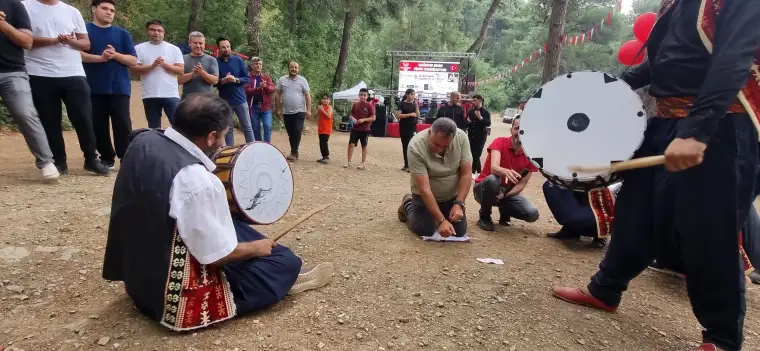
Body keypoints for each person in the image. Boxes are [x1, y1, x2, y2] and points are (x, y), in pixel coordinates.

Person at [552, 0, 760, 350]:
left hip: (721, 124)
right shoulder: (678, 4)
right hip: (667, 121)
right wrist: (610, 87)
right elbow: (666, 61)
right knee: (636, 211)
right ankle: (605, 289)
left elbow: (734, 57)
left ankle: (722, 337)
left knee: (708, 230)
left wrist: (698, 131)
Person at [102, 93, 334, 331]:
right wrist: (256, 248)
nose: (224, 144)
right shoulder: (197, 179)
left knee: (236, 227)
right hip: (166, 295)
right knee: (284, 261)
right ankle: (282, 282)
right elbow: (215, 256)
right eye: (223, 137)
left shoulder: (144, 139)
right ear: (211, 137)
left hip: (138, 275)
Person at [22, 0, 109, 175]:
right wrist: (54, 40)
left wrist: (69, 42)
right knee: (50, 120)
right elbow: (24, 39)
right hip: (39, 72)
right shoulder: (24, 6)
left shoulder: (72, 11)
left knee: (83, 117)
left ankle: (91, 159)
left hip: (73, 72)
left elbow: (86, 44)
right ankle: (59, 162)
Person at [0, 0, 58, 179]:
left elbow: (27, 41)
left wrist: (3, 24)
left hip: (12, 71)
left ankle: (46, 162)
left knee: (26, 114)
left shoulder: (13, 5)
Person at [81, 0, 137, 170]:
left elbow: (133, 60)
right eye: (104, 8)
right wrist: (99, 58)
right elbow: (76, 54)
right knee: (98, 123)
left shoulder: (122, 34)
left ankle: (126, 157)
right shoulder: (84, 31)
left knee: (122, 123)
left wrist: (115, 55)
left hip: (119, 86)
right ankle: (106, 157)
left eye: (112, 10)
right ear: (93, 9)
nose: (109, 12)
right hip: (92, 86)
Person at [397, 118, 472, 237]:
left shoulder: (461, 138)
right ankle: (408, 204)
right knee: (425, 230)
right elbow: (424, 189)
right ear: (430, 132)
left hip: (451, 196)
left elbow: (466, 174)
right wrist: (441, 221)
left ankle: (443, 210)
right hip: (424, 196)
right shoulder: (416, 146)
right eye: (436, 144)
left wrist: (459, 204)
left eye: (446, 146)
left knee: (459, 232)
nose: (440, 149)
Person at [473, 116, 539, 231]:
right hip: (484, 189)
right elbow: (494, 168)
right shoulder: (499, 142)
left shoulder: (531, 154)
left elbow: (521, 184)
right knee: (493, 179)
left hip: (506, 191)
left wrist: (505, 194)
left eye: (524, 129)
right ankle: (484, 216)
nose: (519, 132)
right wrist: (506, 172)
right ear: (511, 130)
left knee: (532, 214)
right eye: (517, 128)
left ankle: (504, 210)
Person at [132, 20, 184, 128]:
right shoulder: (138, 48)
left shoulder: (174, 49)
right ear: (147, 32)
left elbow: (180, 70)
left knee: (178, 125)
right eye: (153, 30)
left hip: (170, 94)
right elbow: (134, 70)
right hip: (150, 94)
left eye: (159, 30)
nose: (156, 33)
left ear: (164, 33)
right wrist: (152, 66)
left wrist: (164, 65)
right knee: (154, 127)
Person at [542, 181, 617, 248]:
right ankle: (570, 229)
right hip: (575, 174)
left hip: (597, 178)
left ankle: (599, 235)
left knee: (594, 191)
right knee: (551, 185)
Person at [215, 37, 253, 145]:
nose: (226, 49)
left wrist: (236, 79)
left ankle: (253, 149)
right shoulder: (216, 62)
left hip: (240, 99)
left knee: (247, 126)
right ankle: (230, 151)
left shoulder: (238, 60)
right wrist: (224, 80)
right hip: (225, 101)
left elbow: (247, 78)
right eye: (223, 47)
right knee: (228, 129)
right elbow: (214, 82)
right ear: (219, 48)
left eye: (228, 47)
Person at [275, 61, 311, 161]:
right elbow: (277, 94)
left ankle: (294, 153)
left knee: (297, 131)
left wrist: (309, 110)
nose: (294, 69)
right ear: (288, 68)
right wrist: (277, 109)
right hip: (286, 112)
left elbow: (308, 96)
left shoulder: (303, 80)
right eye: (292, 67)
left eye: (296, 67)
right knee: (291, 133)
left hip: (300, 111)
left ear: (298, 69)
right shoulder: (282, 80)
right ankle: (294, 151)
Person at [178, 32, 218, 100]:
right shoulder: (182, 59)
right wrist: (193, 74)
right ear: (189, 43)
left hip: (207, 101)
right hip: (187, 101)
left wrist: (201, 72)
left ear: (204, 45)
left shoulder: (212, 60)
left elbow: (215, 81)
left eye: (200, 43)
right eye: (195, 43)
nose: (198, 46)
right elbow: (178, 80)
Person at [245, 57, 275, 143]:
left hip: (265, 107)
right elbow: (247, 91)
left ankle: (267, 145)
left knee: (267, 126)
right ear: (252, 65)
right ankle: (259, 146)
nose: (258, 65)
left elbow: (272, 89)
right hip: (253, 107)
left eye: (260, 64)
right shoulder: (248, 77)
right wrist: (259, 88)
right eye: (256, 64)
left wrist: (265, 86)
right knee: (255, 128)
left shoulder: (266, 77)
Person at [344, 88, 375, 170]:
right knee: (351, 144)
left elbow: (373, 117)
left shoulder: (369, 105)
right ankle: (349, 162)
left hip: (365, 129)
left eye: (364, 95)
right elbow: (351, 114)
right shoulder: (355, 105)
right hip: (355, 129)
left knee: (364, 146)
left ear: (367, 96)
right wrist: (353, 119)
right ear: (359, 95)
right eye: (361, 95)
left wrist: (364, 120)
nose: (363, 97)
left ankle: (363, 163)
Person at [467, 94, 491, 174]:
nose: (473, 102)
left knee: (477, 154)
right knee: (473, 154)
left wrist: (480, 118)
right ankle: (479, 170)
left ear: (480, 101)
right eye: (472, 100)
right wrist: (468, 122)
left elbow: (488, 123)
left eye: (475, 100)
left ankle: (472, 172)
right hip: (471, 135)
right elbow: (467, 122)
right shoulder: (470, 110)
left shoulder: (485, 112)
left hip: (481, 136)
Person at [397, 88, 419, 172]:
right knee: (405, 145)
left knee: (412, 145)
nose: (413, 96)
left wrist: (416, 105)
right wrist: (409, 114)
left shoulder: (414, 104)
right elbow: (398, 116)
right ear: (407, 94)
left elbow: (418, 115)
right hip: (403, 126)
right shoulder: (402, 103)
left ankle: (411, 165)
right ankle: (406, 165)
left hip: (412, 127)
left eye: (414, 94)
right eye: (411, 94)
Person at [316, 93, 333, 164]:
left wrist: (322, 110)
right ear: (321, 100)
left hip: (327, 128)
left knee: (324, 142)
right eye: (324, 98)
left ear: (329, 100)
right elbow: (315, 116)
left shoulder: (329, 107)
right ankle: (323, 157)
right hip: (321, 128)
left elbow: (329, 116)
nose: (325, 100)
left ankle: (326, 157)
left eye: (327, 99)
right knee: (321, 143)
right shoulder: (320, 107)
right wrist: (318, 110)